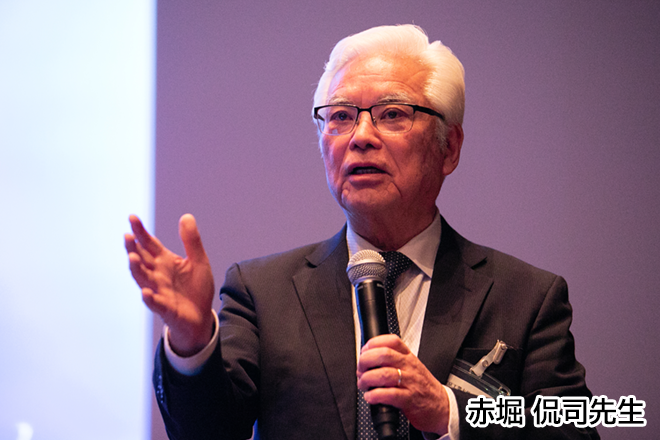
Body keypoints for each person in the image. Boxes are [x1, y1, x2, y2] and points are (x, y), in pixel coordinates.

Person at [125, 24, 598, 440]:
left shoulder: (527, 298)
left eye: (392, 114)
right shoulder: (263, 293)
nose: (361, 136)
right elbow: (208, 431)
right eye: (340, 117)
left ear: (449, 148)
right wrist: (191, 340)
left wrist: (450, 413)